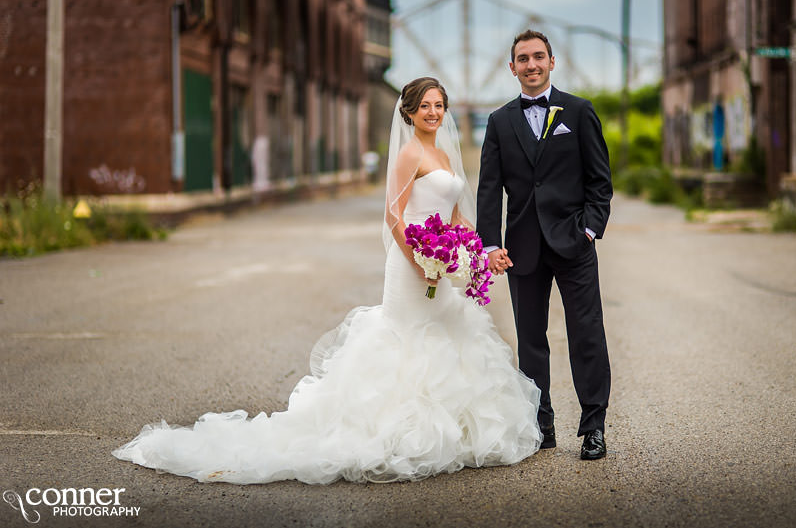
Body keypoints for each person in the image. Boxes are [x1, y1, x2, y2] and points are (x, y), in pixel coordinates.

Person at [112, 77, 542, 484]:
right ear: (409, 113)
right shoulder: (410, 154)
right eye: (425, 106)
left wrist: (479, 251)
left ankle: (452, 435)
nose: (433, 112)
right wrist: (418, 260)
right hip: (412, 264)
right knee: (405, 340)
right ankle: (398, 435)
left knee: (447, 338)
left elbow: (453, 216)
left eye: (438, 106)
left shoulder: (445, 157)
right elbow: (394, 214)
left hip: (440, 262)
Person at [476, 30, 613, 460]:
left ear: (552, 62)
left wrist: (590, 229)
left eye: (539, 57)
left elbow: (600, 182)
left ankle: (594, 426)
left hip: (574, 243)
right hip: (522, 248)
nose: (531, 64)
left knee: (586, 334)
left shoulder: (579, 110)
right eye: (523, 58)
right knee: (531, 339)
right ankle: (541, 425)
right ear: (511, 66)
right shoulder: (499, 122)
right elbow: (489, 188)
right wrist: (489, 245)